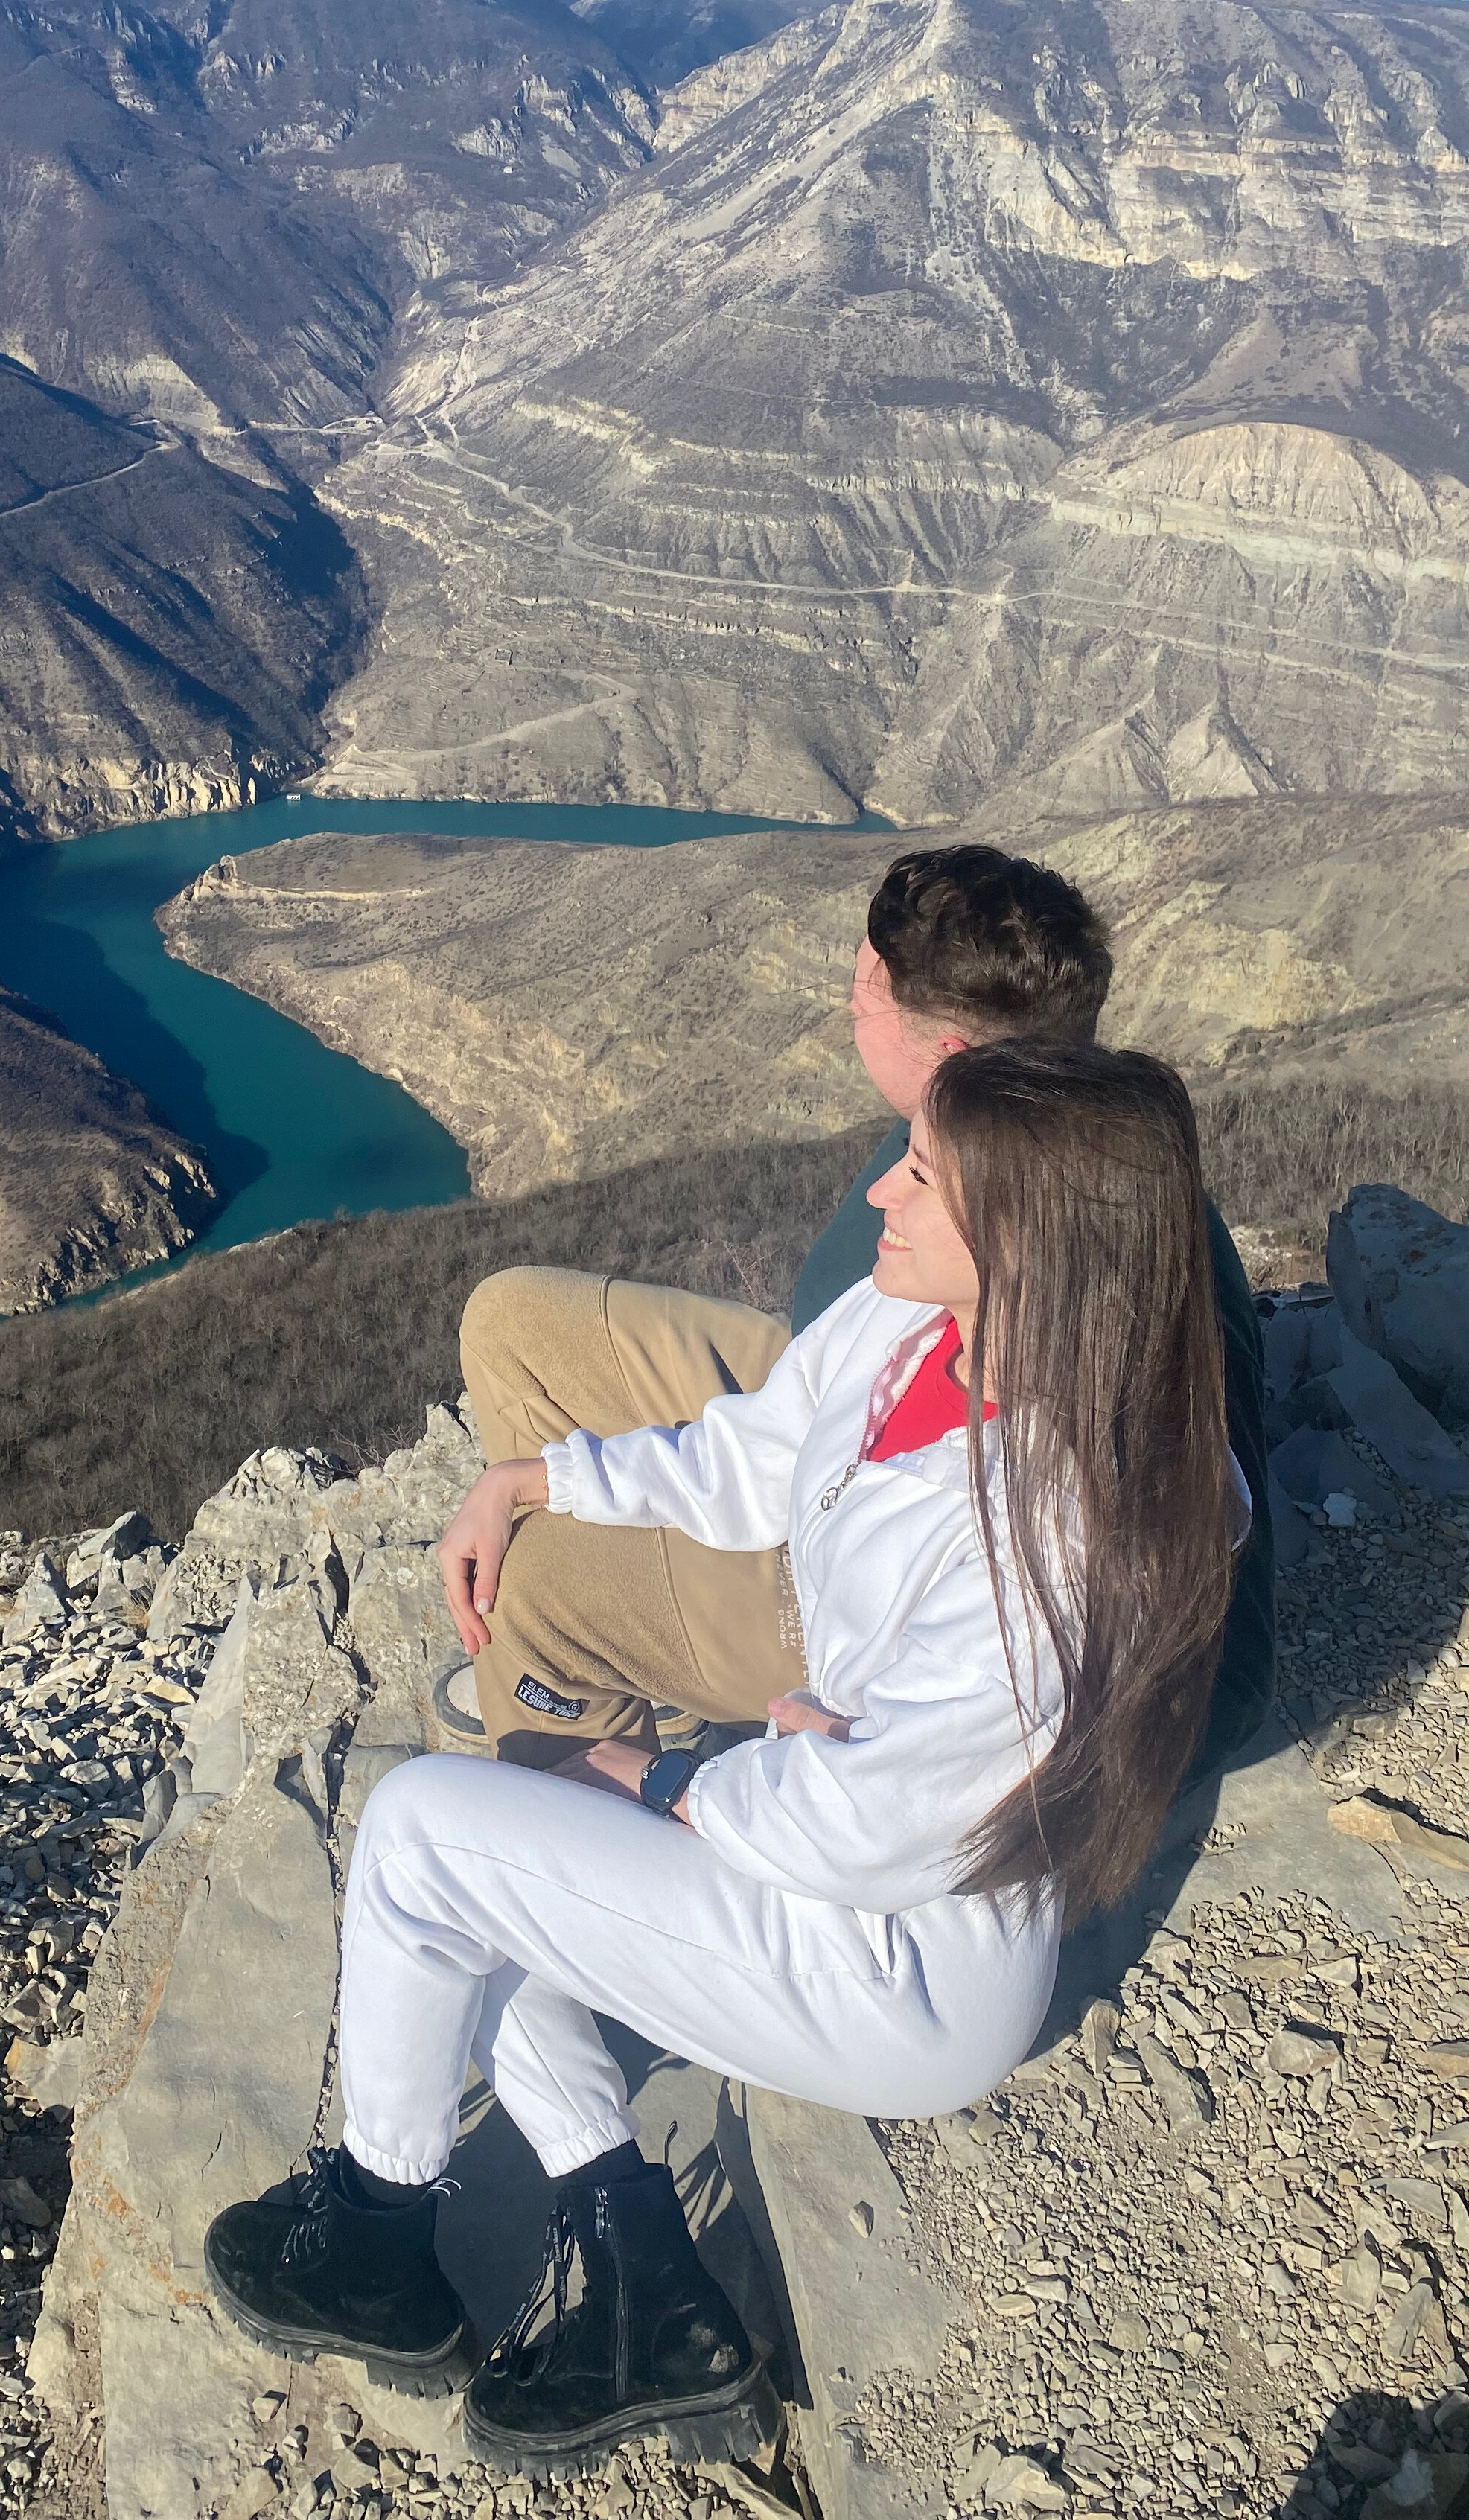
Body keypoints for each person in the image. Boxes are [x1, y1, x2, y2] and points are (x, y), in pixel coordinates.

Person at [205, 1044, 1242, 2475]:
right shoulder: (918, 1330)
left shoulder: (1059, 1530)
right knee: (497, 1851)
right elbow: (761, 1451)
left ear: (1026, 1239)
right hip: (826, 1830)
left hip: (902, 1969)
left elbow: (888, 1824)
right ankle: (645, 2285)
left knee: (424, 1833)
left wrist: (677, 1780)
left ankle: (376, 2243)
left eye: (923, 1175)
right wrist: (541, 1479)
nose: (879, 1185)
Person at [452, 843, 1272, 1784]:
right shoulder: (961, 1169)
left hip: (889, 1578)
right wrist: (537, 1478)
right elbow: (793, 1407)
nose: (846, 1014)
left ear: (952, 1059)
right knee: (513, 1322)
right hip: (841, 1414)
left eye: (862, 1001)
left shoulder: (1113, 1253)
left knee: (535, 1584)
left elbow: (1199, 1587)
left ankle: (567, 1767)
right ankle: (607, 1677)